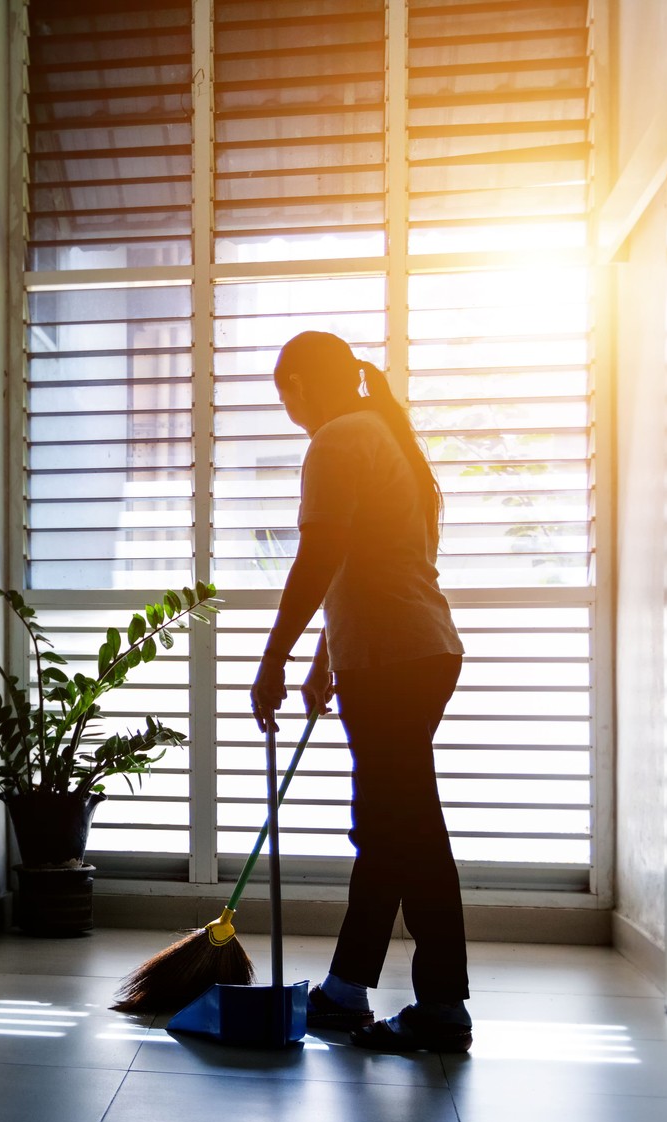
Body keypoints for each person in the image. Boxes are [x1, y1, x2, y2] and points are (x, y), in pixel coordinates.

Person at [248, 330, 472, 1053]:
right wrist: (324, 659)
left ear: (307, 382)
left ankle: (438, 1005)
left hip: (396, 660)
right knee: (392, 827)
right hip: (408, 651)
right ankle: (349, 992)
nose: (287, 406)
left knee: (405, 830)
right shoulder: (377, 434)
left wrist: (273, 657)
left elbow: (320, 555)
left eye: (287, 388)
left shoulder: (338, 440)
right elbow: (361, 563)